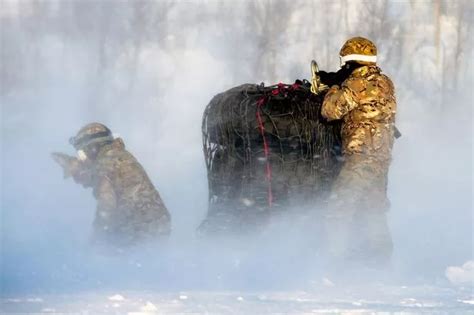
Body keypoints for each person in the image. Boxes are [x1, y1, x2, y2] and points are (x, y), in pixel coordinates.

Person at [319, 37, 397, 265]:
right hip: (381, 157)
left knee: (338, 208)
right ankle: (381, 263)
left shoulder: (356, 85)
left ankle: (332, 263)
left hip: (361, 157)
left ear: (350, 61)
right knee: (374, 213)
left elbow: (329, 111)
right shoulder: (385, 82)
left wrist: (333, 85)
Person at [52, 122, 171, 247]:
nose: (83, 158)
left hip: (141, 230)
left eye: (82, 153)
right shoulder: (117, 156)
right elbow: (99, 177)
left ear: (93, 148)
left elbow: (106, 206)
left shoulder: (105, 165)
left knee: (105, 252)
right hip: (156, 225)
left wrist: (95, 242)